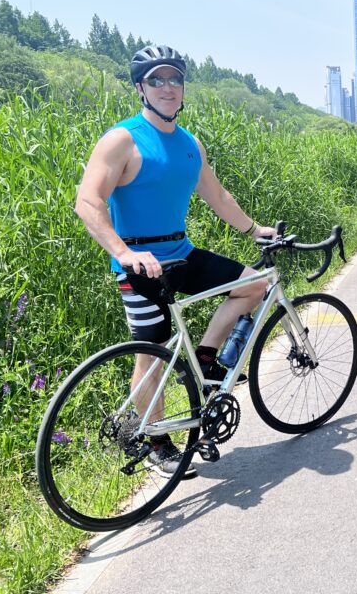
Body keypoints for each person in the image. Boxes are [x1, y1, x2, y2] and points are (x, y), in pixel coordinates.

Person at [75, 45, 276, 479]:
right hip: (139, 264)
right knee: (152, 354)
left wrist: (252, 229)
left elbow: (217, 195)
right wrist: (124, 253)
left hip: (181, 252)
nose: (167, 87)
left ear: (182, 89)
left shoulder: (189, 144)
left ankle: (203, 361)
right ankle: (157, 442)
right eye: (156, 79)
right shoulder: (122, 140)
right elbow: (88, 202)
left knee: (254, 285)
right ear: (140, 88)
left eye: (174, 79)